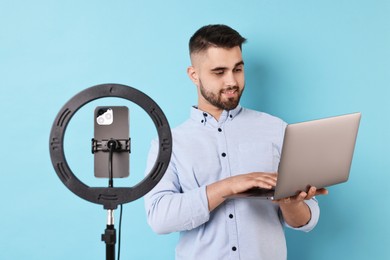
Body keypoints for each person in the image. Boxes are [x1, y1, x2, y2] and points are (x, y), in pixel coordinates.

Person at [144, 24, 328, 260]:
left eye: (238, 69)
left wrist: (291, 204)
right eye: (219, 72)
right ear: (194, 75)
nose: (232, 81)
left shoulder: (276, 129)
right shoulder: (170, 143)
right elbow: (159, 218)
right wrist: (228, 186)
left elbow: (308, 220)